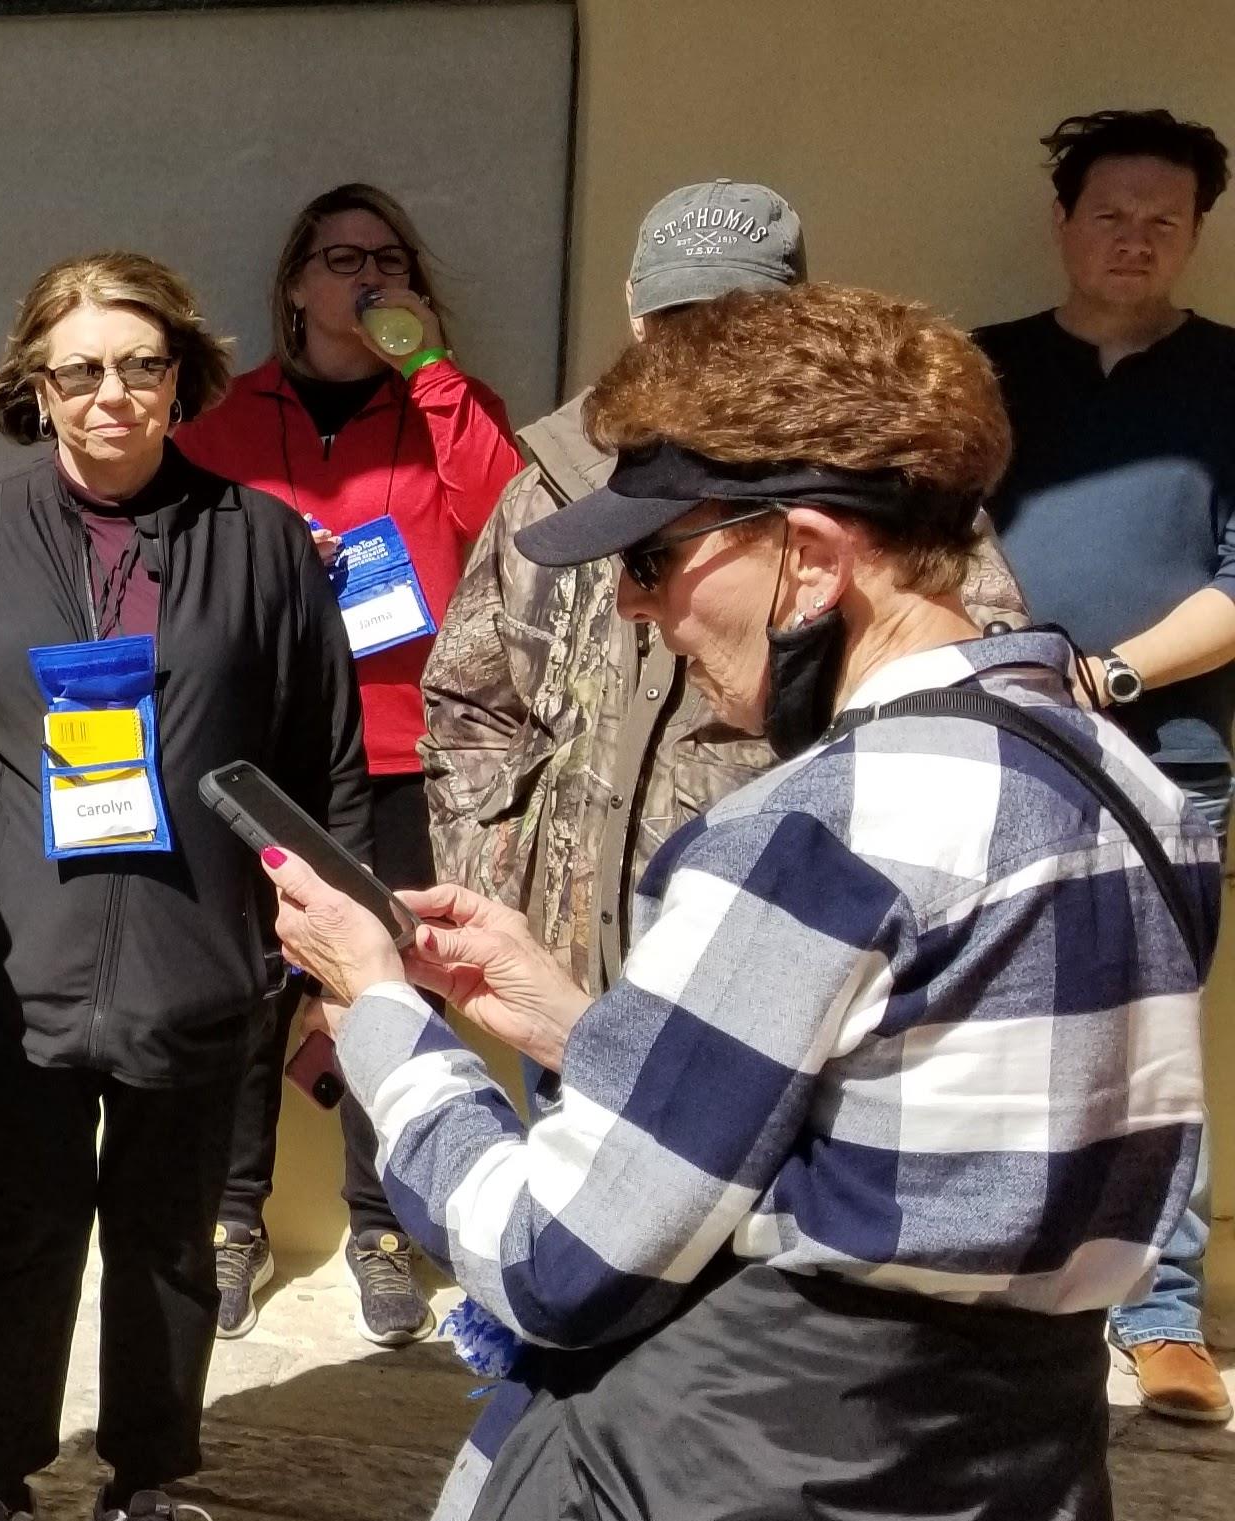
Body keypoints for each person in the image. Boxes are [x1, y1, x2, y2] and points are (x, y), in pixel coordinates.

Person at [274, 282, 1235, 1521]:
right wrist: (565, 1012)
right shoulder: (1120, 791)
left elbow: (553, 1258)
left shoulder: (825, 827)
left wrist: (385, 1016)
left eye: (656, 562)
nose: (634, 612)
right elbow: (881, 1136)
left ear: (807, 554)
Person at [0, 253, 366, 1521]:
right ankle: (1, 1488)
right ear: (35, 386)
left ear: (183, 376)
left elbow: (326, 760)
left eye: (139, 364)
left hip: (201, 966)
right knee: (20, 1237)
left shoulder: (261, 540)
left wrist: (332, 963)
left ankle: (144, 1494)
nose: (111, 394)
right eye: (79, 369)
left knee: (166, 1248)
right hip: (12, 965)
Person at [424, 182, 1029, 1050]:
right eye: (680, 318)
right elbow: (467, 706)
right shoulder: (546, 492)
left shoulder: (886, 503)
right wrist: (502, 877)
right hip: (568, 986)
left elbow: (971, 720)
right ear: (635, 313)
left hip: (767, 999)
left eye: (736, 321)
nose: (701, 353)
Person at [177, 184, 517, 1347]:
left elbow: (506, 514)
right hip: (257, 752)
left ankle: (381, 1219)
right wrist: (277, 562)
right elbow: (177, 562)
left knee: (390, 985)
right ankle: (231, 1216)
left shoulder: (445, 405)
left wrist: (428, 369)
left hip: (405, 751)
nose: (367, 280)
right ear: (294, 287)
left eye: (389, 261)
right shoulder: (224, 418)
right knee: (247, 987)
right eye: (341, 260)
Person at [978, 108, 1235, 1426]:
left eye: (1165, 219)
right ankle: (993, 1268)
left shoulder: (1234, 379)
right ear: (1064, 221)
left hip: (1174, 758)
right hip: (993, 746)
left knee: (1151, 1035)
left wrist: (1109, 677)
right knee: (980, 1016)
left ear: (1198, 234)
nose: (1135, 238)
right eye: (1111, 212)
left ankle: (1163, 1313)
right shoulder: (980, 369)